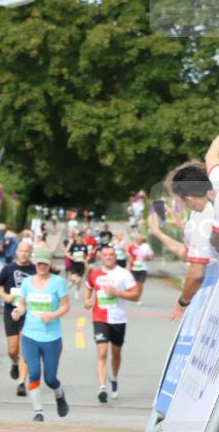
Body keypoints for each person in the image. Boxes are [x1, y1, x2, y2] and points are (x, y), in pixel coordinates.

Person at [149, 162, 217, 320]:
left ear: (188, 198)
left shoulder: (202, 220)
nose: (174, 202)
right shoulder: (208, 206)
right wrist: (181, 225)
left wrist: (182, 302)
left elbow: (196, 273)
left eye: (174, 196)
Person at [11, 247, 70, 422]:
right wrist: (18, 313)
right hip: (30, 335)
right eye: (38, 263)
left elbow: (66, 306)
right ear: (35, 263)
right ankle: (38, 411)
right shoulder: (27, 282)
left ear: (49, 265)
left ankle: (59, 394)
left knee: (50, 378)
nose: (41, 267)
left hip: (51, 337)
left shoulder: (58, 282)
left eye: (44, 264)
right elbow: (23, 305)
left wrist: (52, 315)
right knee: (34, 372)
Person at [84, 244, 138, 403]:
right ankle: (102, 387)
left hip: (118, 319)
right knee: (102, 353)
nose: (108, 257)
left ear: (115, 257)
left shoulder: (124, 274)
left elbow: (135, 295)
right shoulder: (94, 274)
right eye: (105, 255)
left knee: (116, 353)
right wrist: (88, 300)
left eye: (111, 255)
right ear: (101, 256)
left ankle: (113, 378)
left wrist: (118, 293)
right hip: (99, 318)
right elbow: (88, 288)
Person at [0, 241, 36, 398]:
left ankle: (21, 383)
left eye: (27, 251)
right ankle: (14, 363)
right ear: (16, 252)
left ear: (30, 252)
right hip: (11, 311)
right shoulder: (8, 269)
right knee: (12, 350)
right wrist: (5, 296)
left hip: (29, 314)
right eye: (21, 251)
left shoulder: (34, 270)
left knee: (23, 349)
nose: (24, 254)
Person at [66, 231, 88, 299]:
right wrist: (72, 257)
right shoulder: (73, 245)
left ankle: (77, 292)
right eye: (78, 237)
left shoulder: (84, 246)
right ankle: (71, 281)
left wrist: (85, 260)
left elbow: (87, 256)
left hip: (81, 266)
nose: (80, 238)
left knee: (78, 280)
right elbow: (67, 253)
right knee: (73, 278)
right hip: (74, 265)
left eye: (81, 237)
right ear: (76, 238)